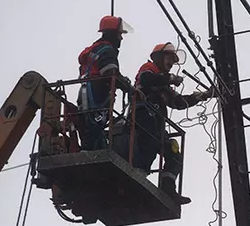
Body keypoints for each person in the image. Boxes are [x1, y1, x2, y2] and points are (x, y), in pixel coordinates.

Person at [115, 42, 212, 205]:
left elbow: (178, 102)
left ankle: (168, 188)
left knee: (173, 152)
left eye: (173, 60)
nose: (171, 62)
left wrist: (202, 96)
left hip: (156, 123)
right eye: (169, 57)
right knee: (150, 142)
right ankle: (139, 173)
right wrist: (170, 78)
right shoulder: (149, 68)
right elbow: (146, 79)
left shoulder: (164, 85)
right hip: (142, 116)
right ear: (158, 57)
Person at [77, 15, 133, 151]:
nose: (121, 38)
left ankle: (90, 151)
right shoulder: (107, 50)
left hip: (87, 93)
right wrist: (128, 88)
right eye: (119, 34)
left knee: (91, 128)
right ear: (112, 34)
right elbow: (110, 73)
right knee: (94, 129)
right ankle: (90, 153)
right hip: (97, 94)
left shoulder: (95, 49)